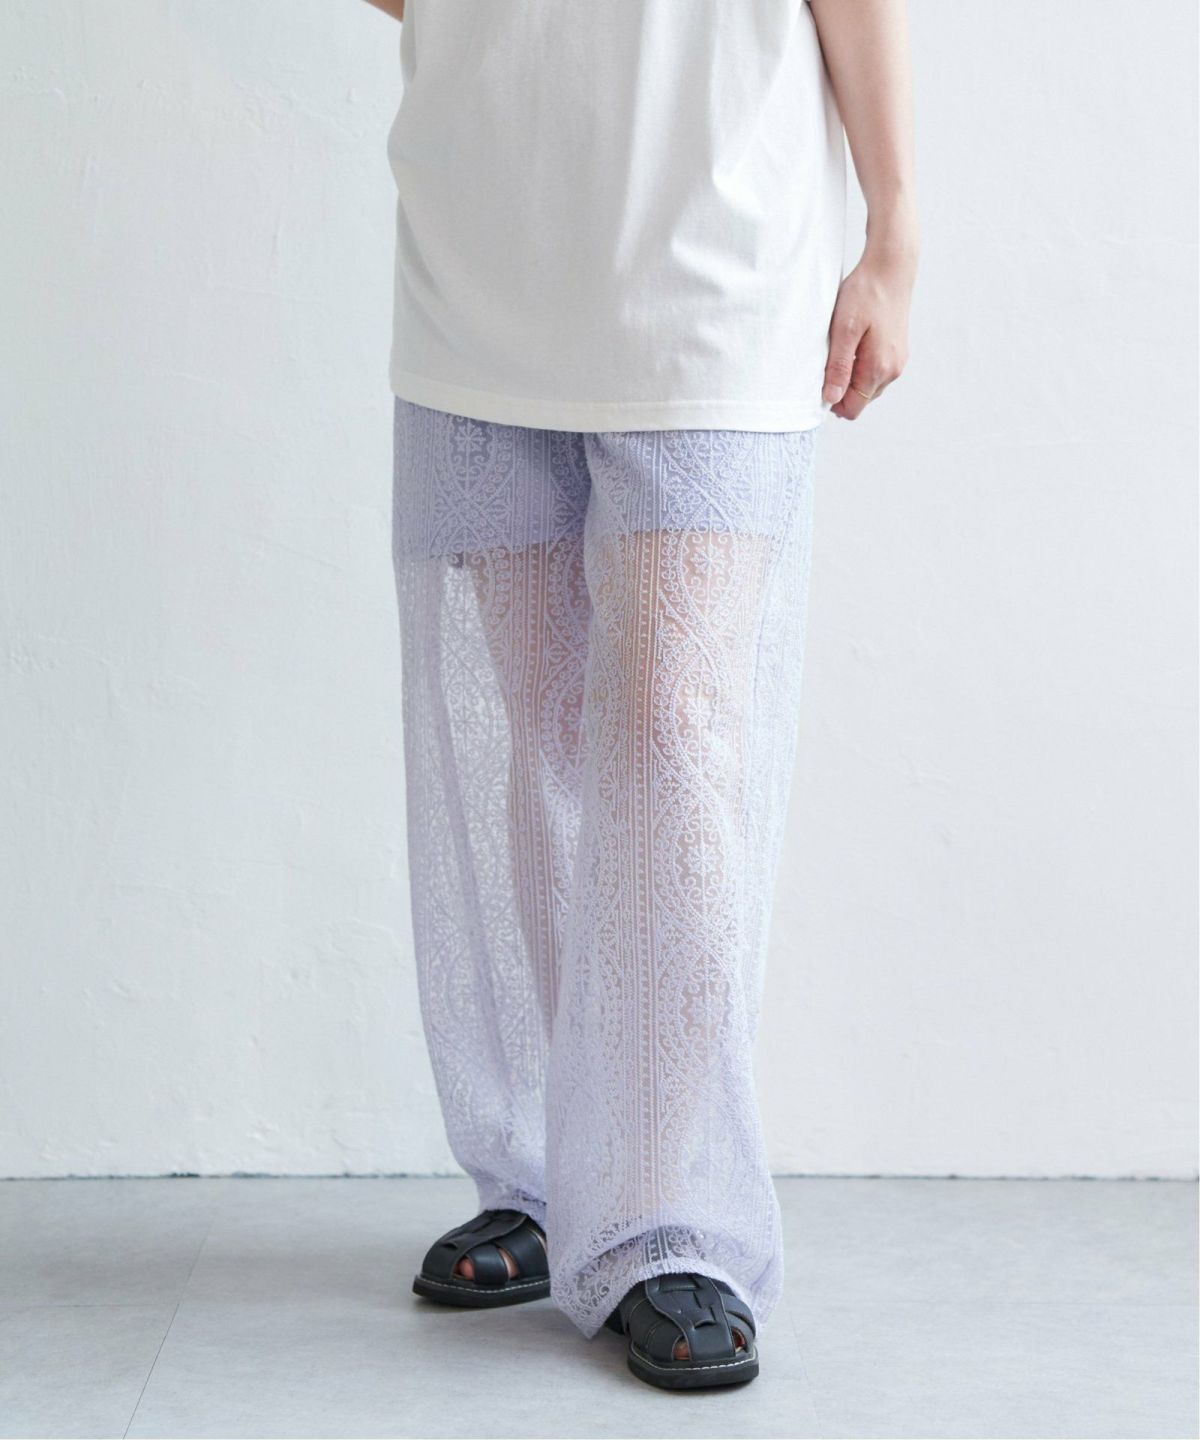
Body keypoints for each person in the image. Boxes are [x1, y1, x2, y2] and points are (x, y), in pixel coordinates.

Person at [365, 0, 917, 1391]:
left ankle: (672, 1215)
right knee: (540, 738)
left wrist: (895, 230)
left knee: (673, 728)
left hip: (715, 249)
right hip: (484, 237)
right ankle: (560, 1170)